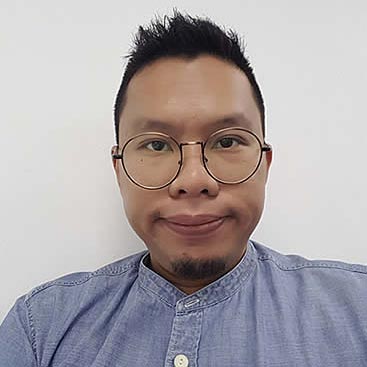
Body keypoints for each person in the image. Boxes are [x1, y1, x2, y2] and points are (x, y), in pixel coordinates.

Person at [0, 10, 366, 367]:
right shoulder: (41, 328)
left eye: (226, 142)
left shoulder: (358, 310)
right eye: (157, 145)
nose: (193, 181)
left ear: (265, 164)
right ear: (119, 170)